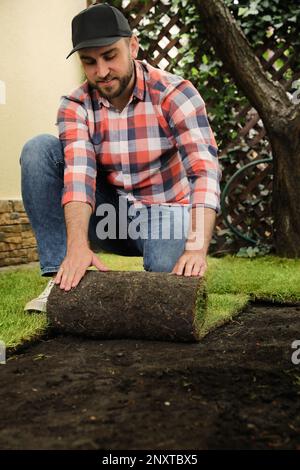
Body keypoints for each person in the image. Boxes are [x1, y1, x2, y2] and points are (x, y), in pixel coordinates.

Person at [20, 2, 221, 313]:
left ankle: (173, 263)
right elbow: (78, 175)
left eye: (110, 56)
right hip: (107, 216)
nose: (101, 72)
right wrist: (75, 248)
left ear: (133, 45)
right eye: (90, 62)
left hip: (164, 211)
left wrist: (195, 249)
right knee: (39, 150)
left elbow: (204, 172)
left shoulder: (174, 93)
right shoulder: (75, 105)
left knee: (168, 274)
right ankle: (61, 280)